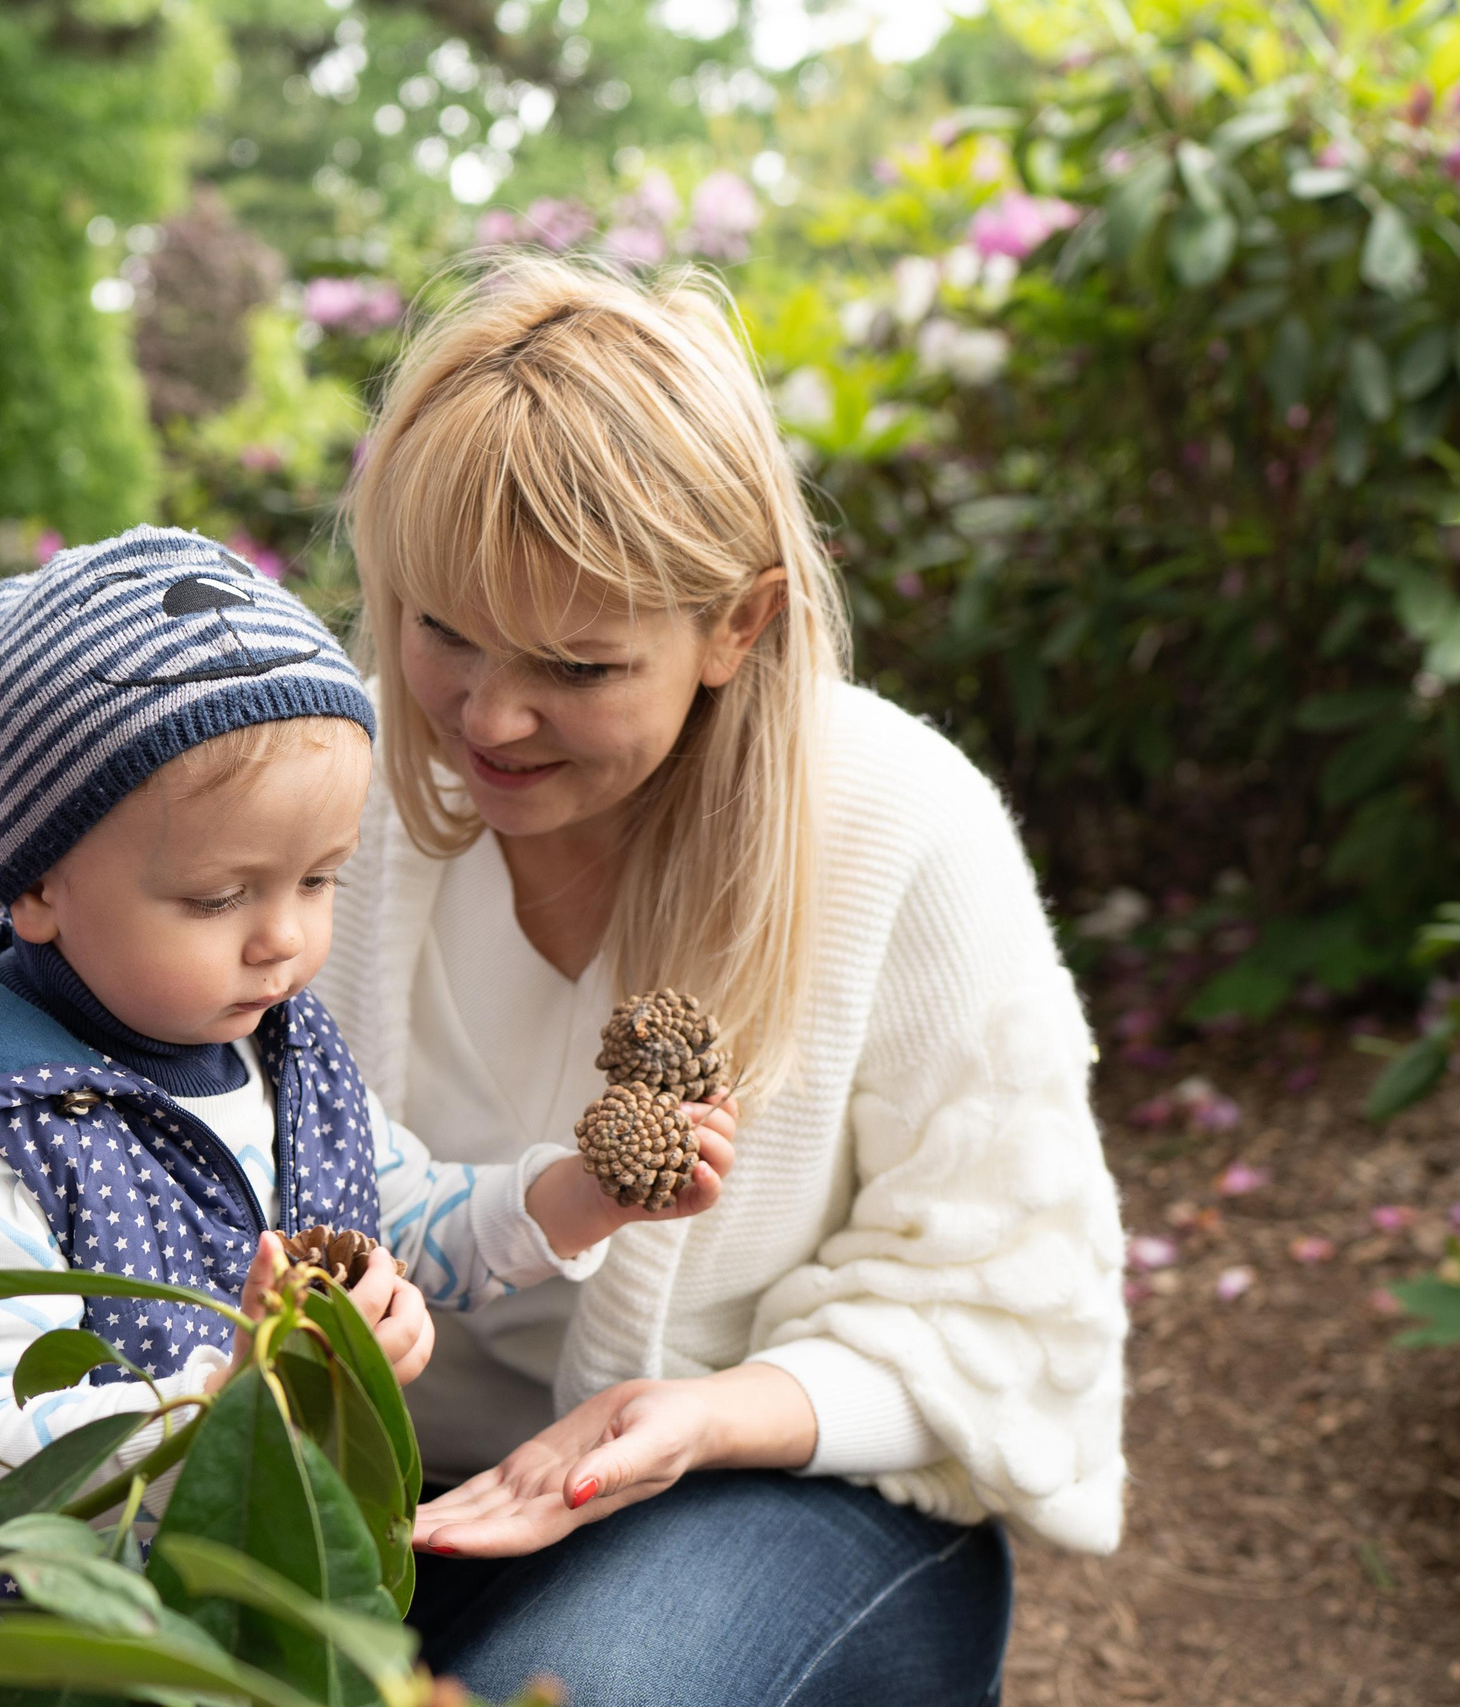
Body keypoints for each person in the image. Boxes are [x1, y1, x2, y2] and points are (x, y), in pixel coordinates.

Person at [317, 260, 1129, 1705]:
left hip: (771, 1496)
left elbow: (1012, 1303)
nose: (486, 716)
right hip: (384, 1495)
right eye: (437, 628)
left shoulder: (904, 827)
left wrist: (702, 1416)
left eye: (575, 662)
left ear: (734, 627)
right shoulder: (331, 795)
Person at [0, 526, 739, 1523]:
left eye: (318, 880)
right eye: (219, 897)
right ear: (39, 885)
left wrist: (577, 1196)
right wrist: (241, 1386)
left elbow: (409, 1214)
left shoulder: (276, 1049)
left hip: (279, 1598)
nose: (284, 939)